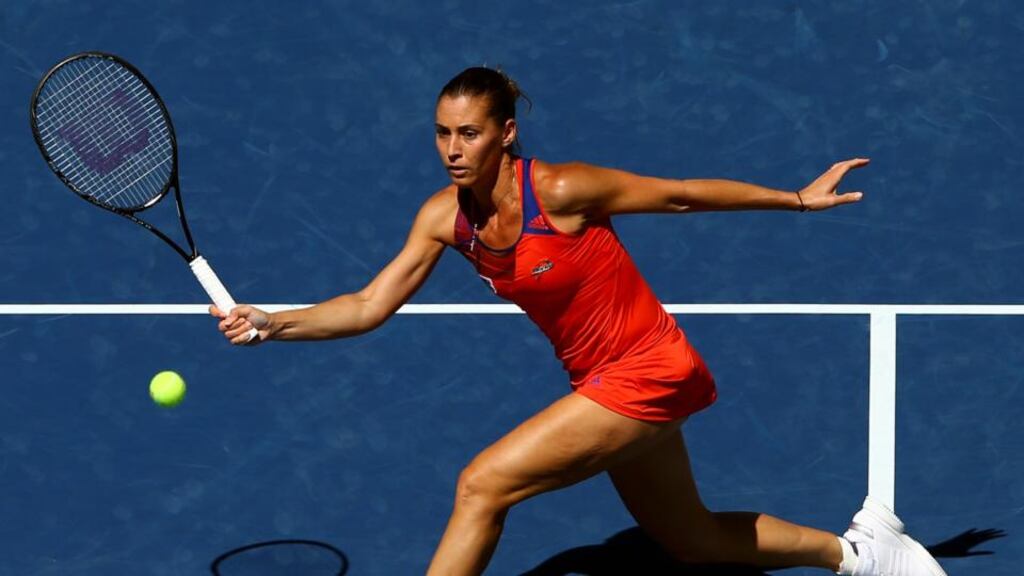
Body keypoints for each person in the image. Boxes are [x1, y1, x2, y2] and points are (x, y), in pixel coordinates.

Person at [211, 67, 946, 576]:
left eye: (468, 133)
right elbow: (370, 304)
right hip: (602, 382)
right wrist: (276, 322)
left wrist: (793, 198)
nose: (452, 150)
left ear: (505, 133)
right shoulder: (445, 219)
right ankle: (859, 554)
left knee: (482, 485)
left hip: (651, 369)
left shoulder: (561, 190)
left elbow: (680, 194)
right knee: (690, 541)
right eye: (441, 133)